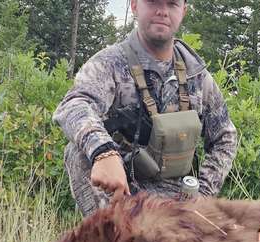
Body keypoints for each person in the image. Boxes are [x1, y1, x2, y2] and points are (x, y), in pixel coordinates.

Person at [53, 0, 238, 216]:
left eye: (172, 4)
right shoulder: (110, 63)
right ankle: (115, 240)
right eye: (152, 2)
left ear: (183, 11)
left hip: (177, 200)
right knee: (78, 152)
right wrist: (103, 152)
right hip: (122, 194)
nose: (162, 11)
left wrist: (202, 195)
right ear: (134, 6)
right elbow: (74, 105)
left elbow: (225, 137)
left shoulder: (196, 75)